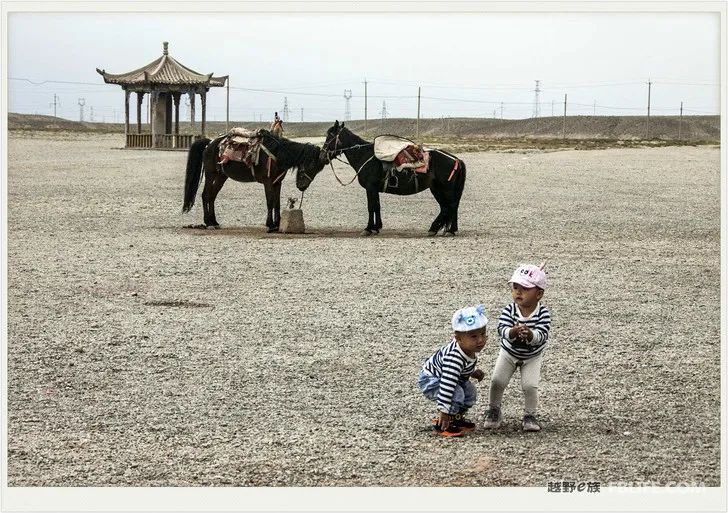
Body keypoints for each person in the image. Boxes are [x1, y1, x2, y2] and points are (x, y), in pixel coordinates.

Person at [483, 262, 551, 432]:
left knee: (530, 386)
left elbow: (543, 334)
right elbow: (501, 329)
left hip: (532, 357)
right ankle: (493, 409)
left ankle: (530, 414)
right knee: (497, 381)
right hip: (508, 353)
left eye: (525, 288)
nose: (518, 292)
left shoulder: (543, 314)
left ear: (539, 294)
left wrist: (530, 335)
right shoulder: (509, 310)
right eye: (515, 287)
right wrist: (512, 332)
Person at [418, 305, 488, 437]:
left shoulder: (467, 349)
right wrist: (444, 410)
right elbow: (447, 384)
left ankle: (456, 418)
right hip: (432, 380)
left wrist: (472, 372)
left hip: (451, 377)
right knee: (457, 394)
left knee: (470, 392)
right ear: (458, 339)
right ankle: (444, 423)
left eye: (483, 334)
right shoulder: (454, 357)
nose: (480, 340)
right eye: (473, 337)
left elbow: (463, 367)